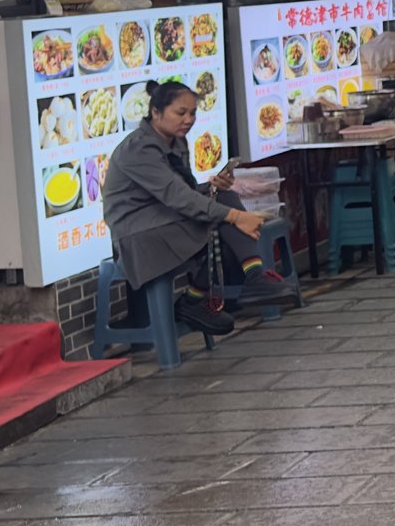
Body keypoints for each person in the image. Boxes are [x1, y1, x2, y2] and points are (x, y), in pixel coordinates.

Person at [102, 81, 283, 338]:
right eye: (180, 113)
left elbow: (184, 193)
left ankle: (249, 278)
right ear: (156, 112)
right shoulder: (139, 148)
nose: (188, 119)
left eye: (192, 113)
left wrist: (212, 188)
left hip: (164, 219)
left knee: (222, 195)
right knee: (217, 215)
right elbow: (177, 197)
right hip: (138, 234)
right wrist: (237, 216)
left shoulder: (175, 141)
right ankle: (196, 299)